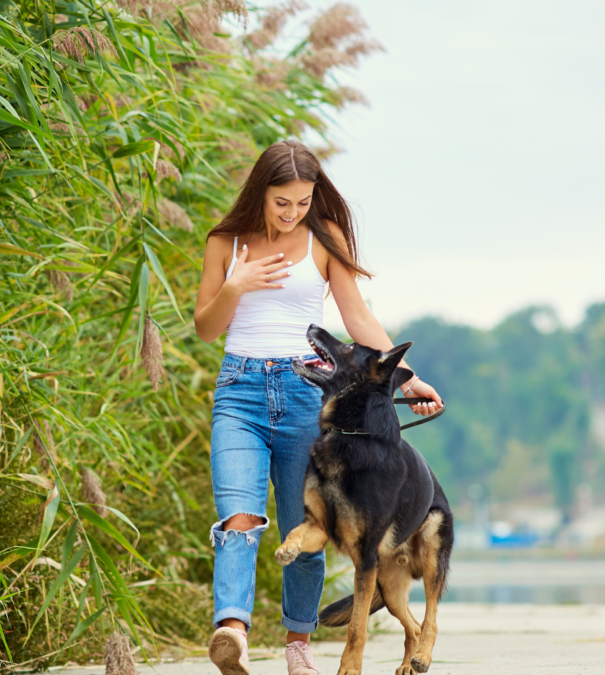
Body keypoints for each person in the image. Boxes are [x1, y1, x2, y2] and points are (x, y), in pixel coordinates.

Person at [194, 140, 444, 675]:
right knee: (239, 517)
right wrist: (235, 285)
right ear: (261, 192)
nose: (292, 213)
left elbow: (357, 321)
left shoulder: (322, 242)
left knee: (308, 527)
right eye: (282, 202)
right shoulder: (225, 243)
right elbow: (206, 328)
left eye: (303, 202)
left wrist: (410, 379)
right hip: (239, 392)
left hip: (306, 394)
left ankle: (297, 645)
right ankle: (232, 631)